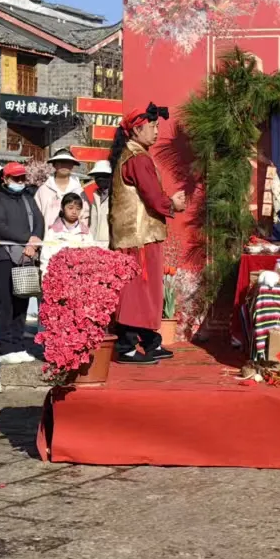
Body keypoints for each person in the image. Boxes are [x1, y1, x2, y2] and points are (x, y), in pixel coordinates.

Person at [109, 103, 184, 364]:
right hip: (138, 237)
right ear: (136, 130)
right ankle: (126, 348)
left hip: (138, 236)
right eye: (152, 127)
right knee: (136, 293)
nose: (156, 132)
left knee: (143, 292)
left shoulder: (131, 155)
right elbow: (154, 197)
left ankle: (151, 343)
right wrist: (172, 203)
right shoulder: (138, 159)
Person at [0, 160, 45, 363]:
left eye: (22, 177)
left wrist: (34, 241)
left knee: (23, 299)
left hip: (28, 255)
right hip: (4, 256)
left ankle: (19, 343)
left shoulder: (29, 198)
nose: (20, 181)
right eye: (16, 178)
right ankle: (5, 344)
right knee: (5, 302)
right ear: (5, 178)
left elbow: (39, 221)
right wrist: (25, 239)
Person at [36, 149, 88, 233]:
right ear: (54, 165)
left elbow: (85, 216)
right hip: (49, 240)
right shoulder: (43, 190)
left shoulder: (79, 191)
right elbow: (36, 217)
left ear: (72, 166)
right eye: (60, 162)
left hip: (75, 241)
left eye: (68, 162)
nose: (64, 165)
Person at [43, 192, 96, 273]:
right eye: (70, 208)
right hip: (57, 276)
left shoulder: (86, 233)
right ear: (62, 208)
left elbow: (92, 258)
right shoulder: (53, 232)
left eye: (78, 209)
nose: (74, 212)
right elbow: (45, 259)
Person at [85, 159, 113, 249]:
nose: (100, 178)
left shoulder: (116, 196)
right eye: (97, 176)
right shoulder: (96, 195)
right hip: (94, 243)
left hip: (110, 244)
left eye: (104, 175)